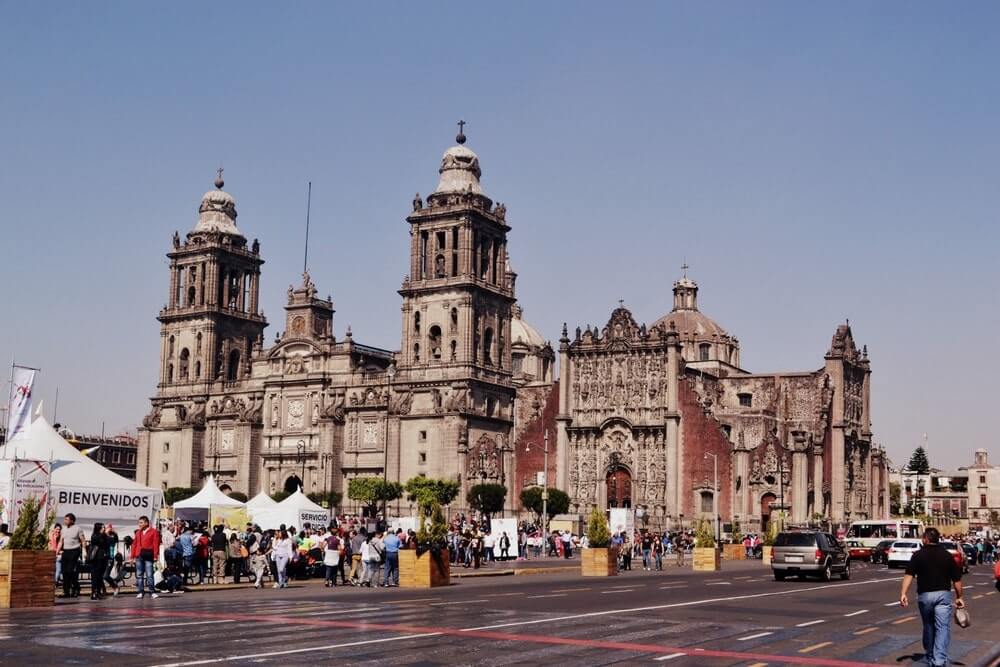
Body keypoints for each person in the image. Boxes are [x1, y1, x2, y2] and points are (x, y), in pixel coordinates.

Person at [900, 527, 965, 667]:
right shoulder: (947, 555)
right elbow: (957, 580)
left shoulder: (918, 555)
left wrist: (903, 593)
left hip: (925, 595)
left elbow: (909, 575)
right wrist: (959, 597)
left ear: (926, 539)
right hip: (943, 595)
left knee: (928, 625)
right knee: (942, 627)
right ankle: (939, 660)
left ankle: (930, 655)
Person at [130, 515, 161, 600]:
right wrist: (132, 556)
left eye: (141, 522)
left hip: (148, 555)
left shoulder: (154, 532)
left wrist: (155, 555)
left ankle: (152, 591)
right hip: (139, 555)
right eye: (139, 523)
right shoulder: (138, 532)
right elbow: (134, 544)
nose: (139, 524)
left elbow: (156, 544)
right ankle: (140, 591)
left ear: (146, 523)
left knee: (149, 574)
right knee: (139, 575)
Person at [58, 513, 87, 598]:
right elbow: (61, 541)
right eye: (65, 519)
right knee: (64, 571)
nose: (65, 521)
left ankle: (76, 588)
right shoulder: (63, 529)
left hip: (74, 551)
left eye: (67, 519)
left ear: (72, 520)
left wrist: (84, 551)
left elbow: (83, 540)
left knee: (70, 571)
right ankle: (66, 592)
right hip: (65, 551)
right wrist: (56, 552)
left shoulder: (78, 529)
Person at [87, 522, 109, 600]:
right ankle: (94, 592)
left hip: (103, 558)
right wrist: (103, 534)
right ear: (98, 528)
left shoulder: (105, 536)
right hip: (96, 558)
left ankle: (99, 592)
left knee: (100, 576)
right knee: (95, 576)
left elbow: (108, 543)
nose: (104, 529)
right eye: (102, 527)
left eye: (104, 527)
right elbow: (96, 541)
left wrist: (107, 534)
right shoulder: (95, 536)